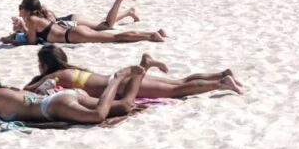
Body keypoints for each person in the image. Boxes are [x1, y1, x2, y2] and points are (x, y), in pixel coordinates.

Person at [0, 66, 147, 128]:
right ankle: (139, 73)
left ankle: (117, 79)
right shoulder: (9, 91)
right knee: (124, 106)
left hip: (54, 106)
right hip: (63, 96)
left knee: (97, 115)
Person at [24, 45, 244, 98]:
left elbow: (28, 90)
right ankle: (221, 74)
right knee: (179, 81)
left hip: (122, 86)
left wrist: (38, 79)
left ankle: (221, 83)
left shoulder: (57, 76)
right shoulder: (70, 69)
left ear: (45, 65)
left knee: (177, 90)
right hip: (119, 80)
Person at [12, 0, 164, 45]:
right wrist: (23, 29)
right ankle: (152, 33)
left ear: (26, 10)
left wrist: (18, 36)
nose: (19, 10)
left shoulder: (32, 19)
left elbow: (31, 42)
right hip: (72, 30)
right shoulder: (38, 18)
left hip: (72, 36)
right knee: (111, 33)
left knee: (114, 37)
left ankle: (151, 35)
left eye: (20, 7)